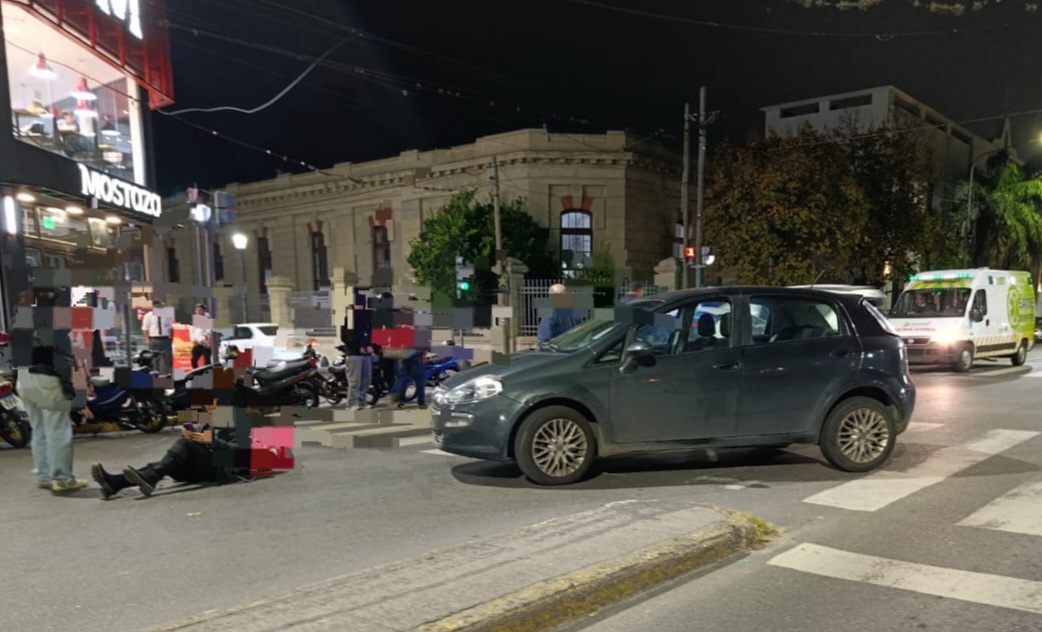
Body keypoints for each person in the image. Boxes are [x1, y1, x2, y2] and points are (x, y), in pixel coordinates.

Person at [90, 423, 250, 499]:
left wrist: (211, 441)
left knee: (182, 448)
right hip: (200, 467)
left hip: (221, 469)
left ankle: (151, 477)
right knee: (164, 462)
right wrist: (191, 434)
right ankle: (116, 483)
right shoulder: (212, 422)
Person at [17, 345, 88, 492]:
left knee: (38, 430)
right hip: (48, 378)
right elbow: (63, 359)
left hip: (24, 378)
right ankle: (63, 479)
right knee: (58, 429)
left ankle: (43, 476)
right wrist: (74, 392)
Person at [141, 299, 173, 375]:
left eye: (159, 305)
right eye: (155, 305)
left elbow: (170, 327)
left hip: (165, 339)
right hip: (154, 339)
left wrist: (170, 338)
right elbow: (145, 328)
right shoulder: (148, 316)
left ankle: (166, 375)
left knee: (167, 358)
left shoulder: (166, 315)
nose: (157, 306)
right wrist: (147, 339)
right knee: (154, 360)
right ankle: (155, 376)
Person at [189, 303, 212, 368]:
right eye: (197, 310)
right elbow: (191, 331)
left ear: (203, 311)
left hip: (205, 344)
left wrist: (204, 340)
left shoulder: (207, 319)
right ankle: (197, 373)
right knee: (193, 360)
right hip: (197, 344)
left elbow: (208, 331)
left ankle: (207, 373)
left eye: (200, 310)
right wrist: (193, 340)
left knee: (207, 361)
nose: (198, 311)